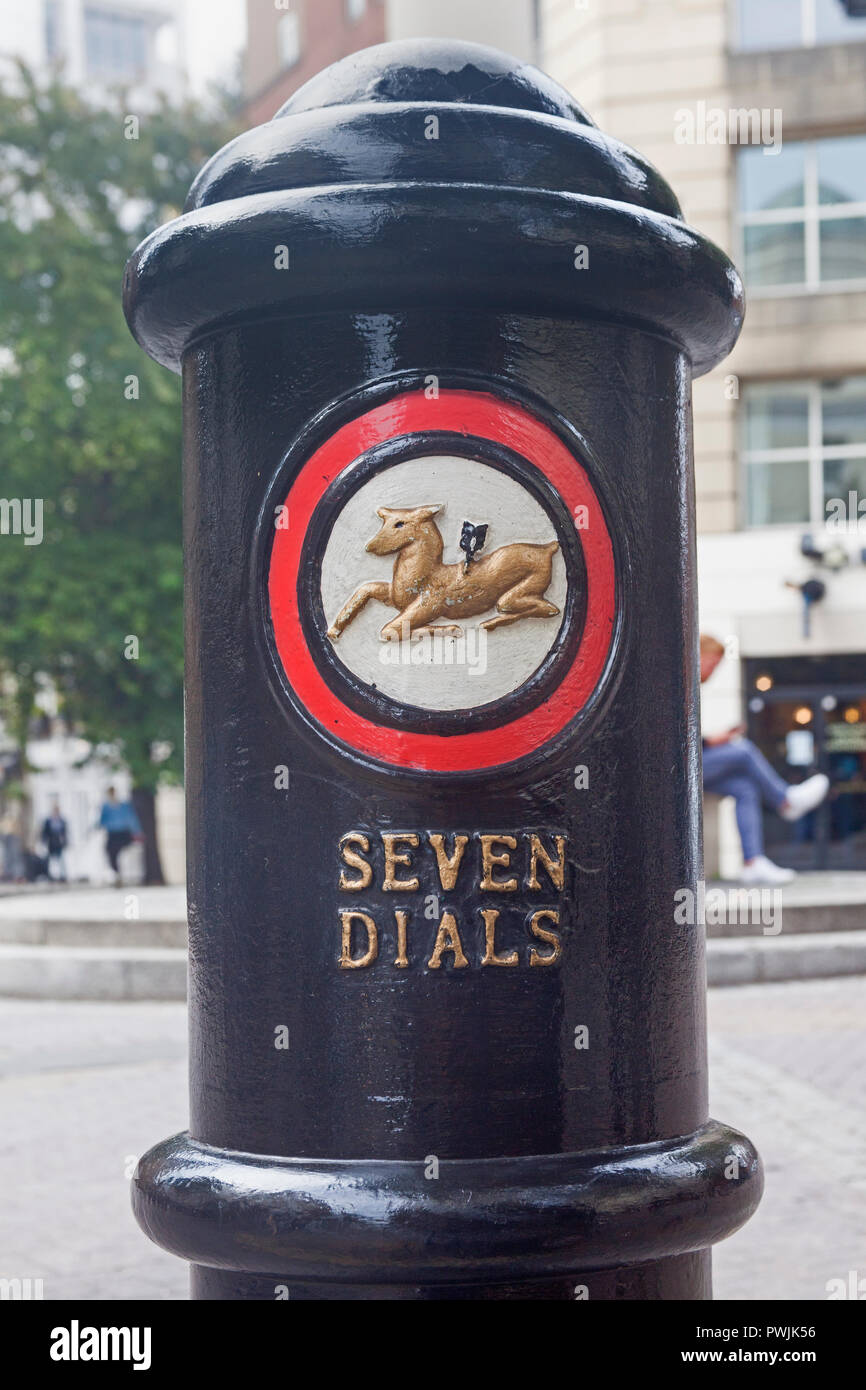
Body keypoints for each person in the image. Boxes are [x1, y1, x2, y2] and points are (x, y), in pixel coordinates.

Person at [700, 635, 829, 885]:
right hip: (680, 769)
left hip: (694, 763)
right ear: (700, 655)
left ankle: (753, 862)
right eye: (713, 664)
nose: (714, 671)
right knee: (744, 750)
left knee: (745, 788)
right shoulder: (679, 683)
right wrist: (713, 741)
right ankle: (785, 800)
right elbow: (673, 738)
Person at [98, 786, 142, 885]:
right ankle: (117, 875)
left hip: (123, 833)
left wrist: (137, 832)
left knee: (119, 852)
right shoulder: (106, 806)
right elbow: (102, 820)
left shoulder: (123, 805)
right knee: (111, 853)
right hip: (112, 833)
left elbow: (131, 819)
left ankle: (122, 874)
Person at [41, 802, 69, 882]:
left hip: (59, 843)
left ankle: (62, 876)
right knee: (50, 860)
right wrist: (44, 841)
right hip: (51, 842)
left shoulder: (62, 820)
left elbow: (64, 832)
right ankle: (51, 875)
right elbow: (45, 832)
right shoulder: (48, 821)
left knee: (61, 860)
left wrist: (65, 841)